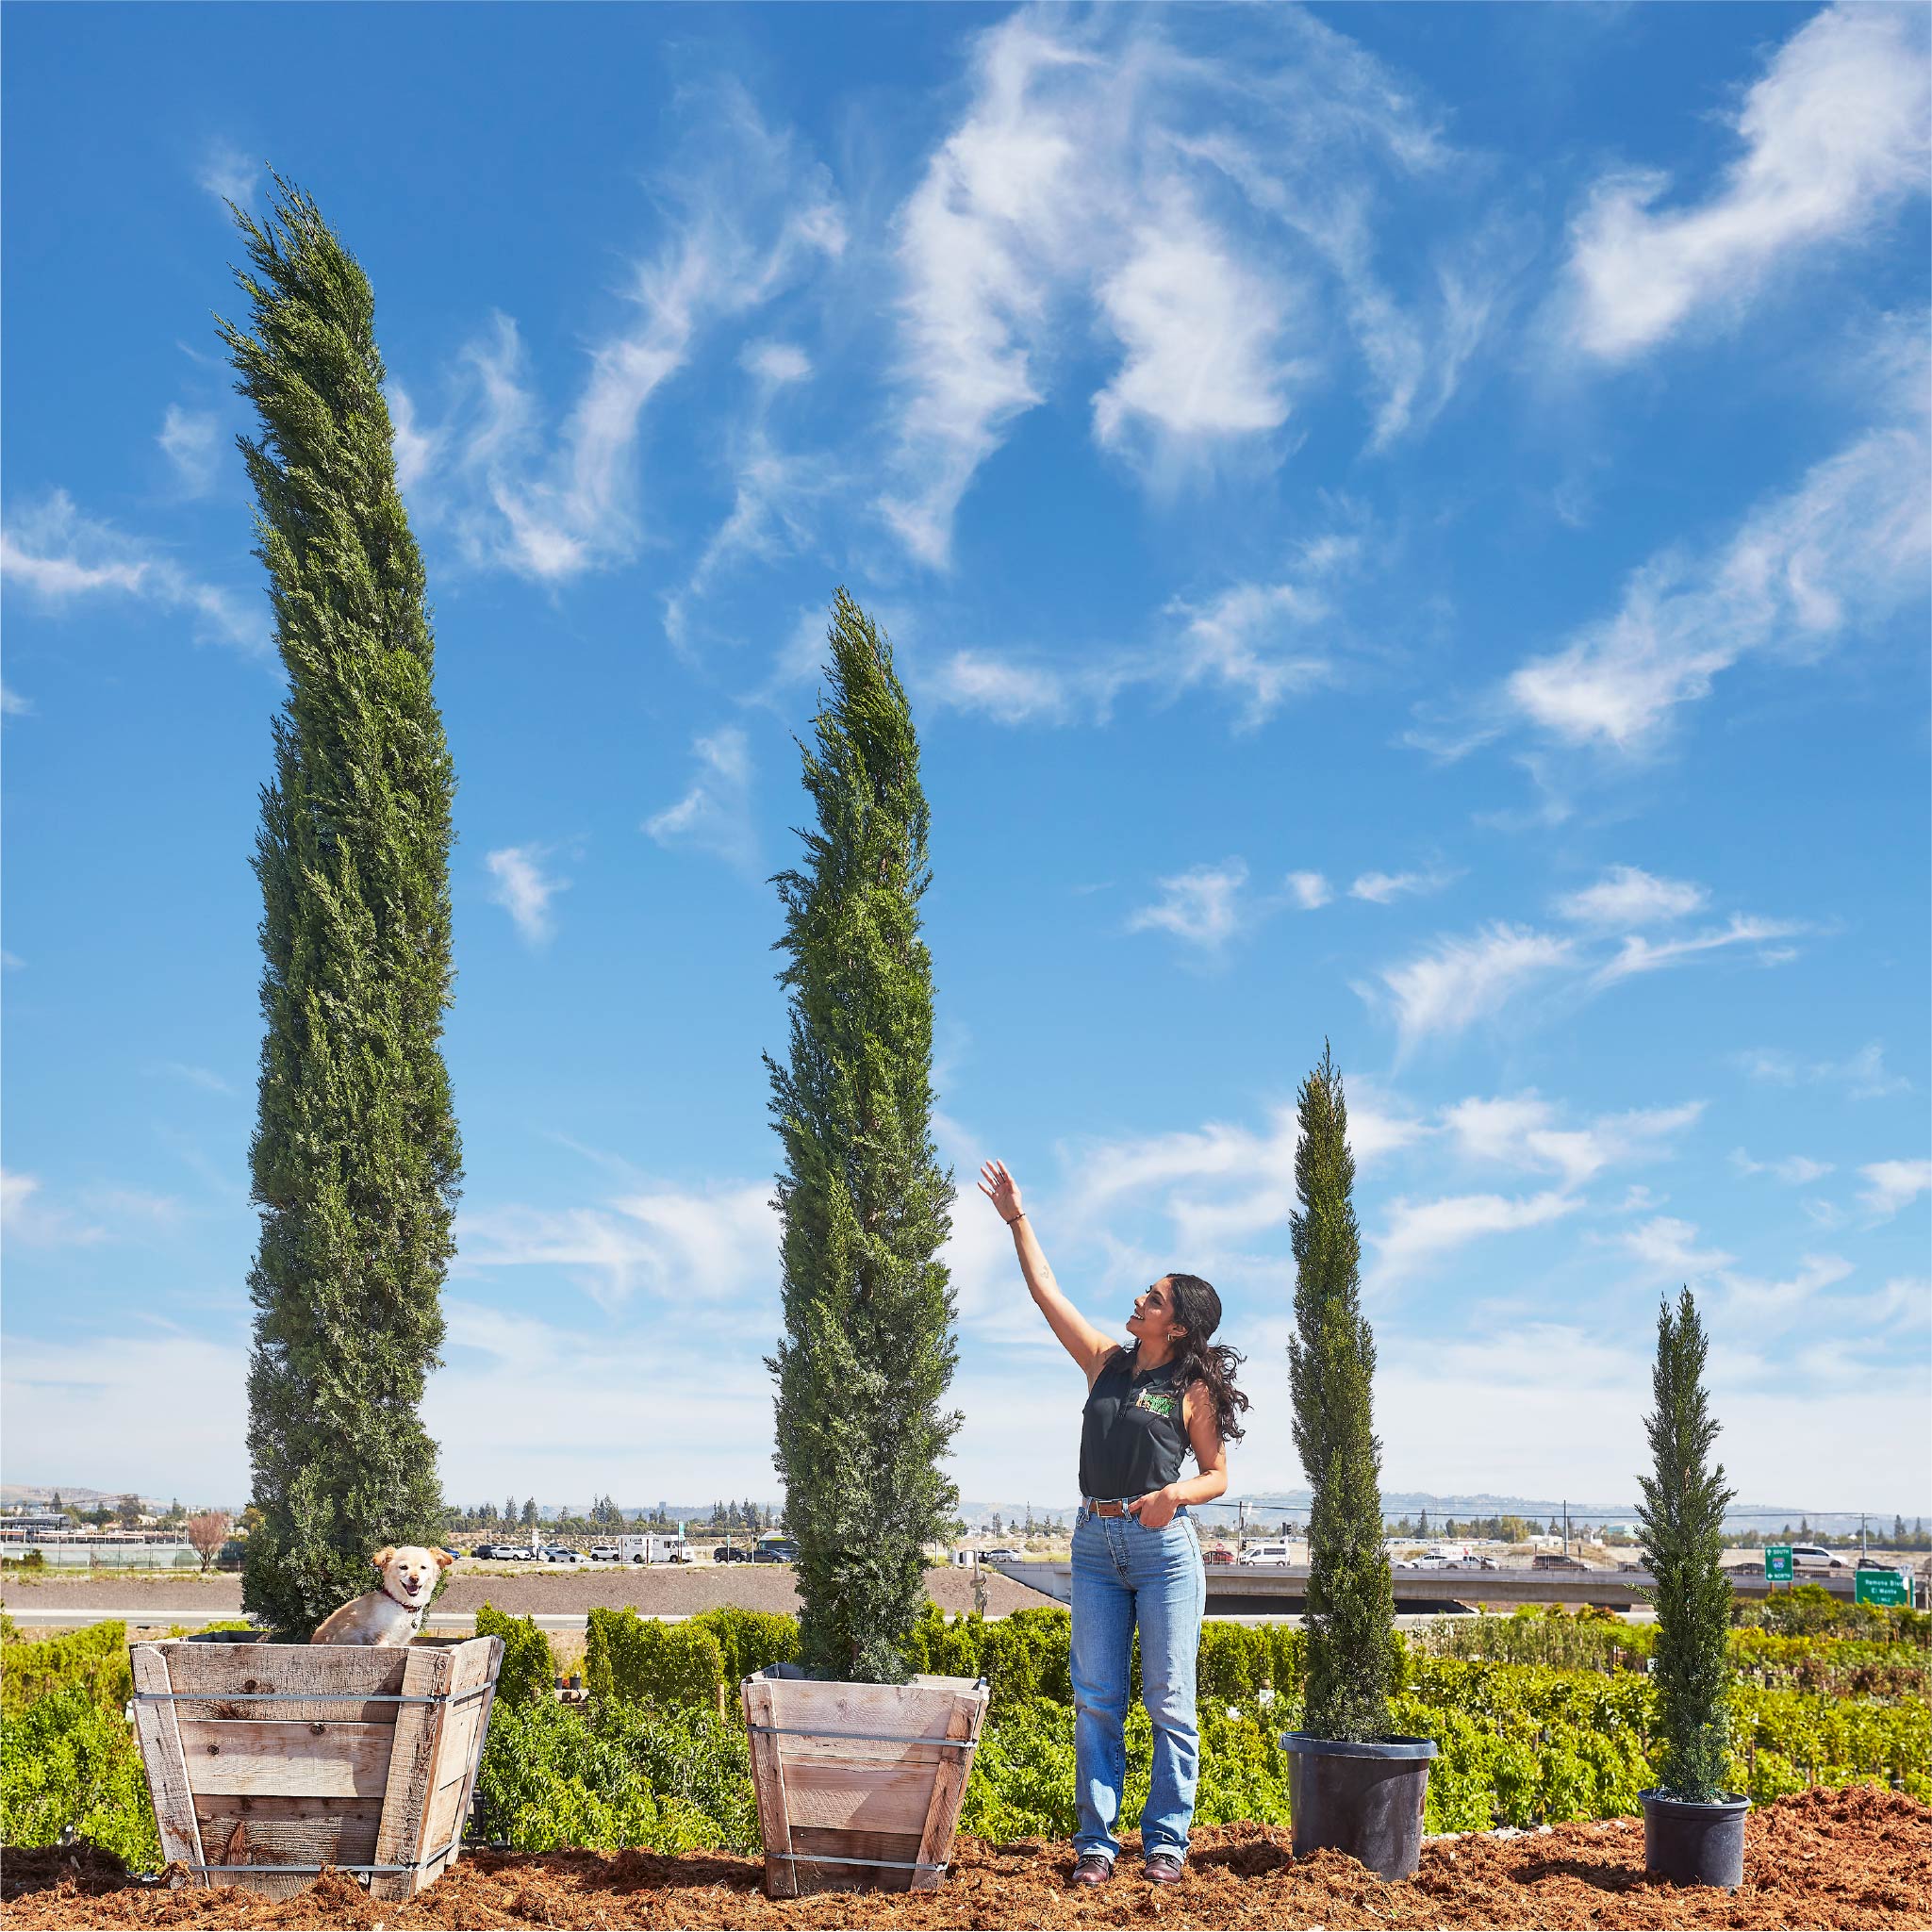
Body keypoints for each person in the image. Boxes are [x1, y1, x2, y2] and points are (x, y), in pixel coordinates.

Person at [978, 1156, 1248, 1889]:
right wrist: (1015, 1217)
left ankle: (1165, 1841)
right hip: (1094, 1544)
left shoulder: (1190, 1388)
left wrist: (1176, 1497)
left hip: (1162, 1549)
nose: (1139, 1298)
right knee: (1096, 1698)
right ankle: (1095, 1844)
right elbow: (1045, 1291)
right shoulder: (1104, 1362)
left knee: (1167, 1700)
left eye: (1153, 1297)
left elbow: (1218, 1473)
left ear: (1179, 1322)